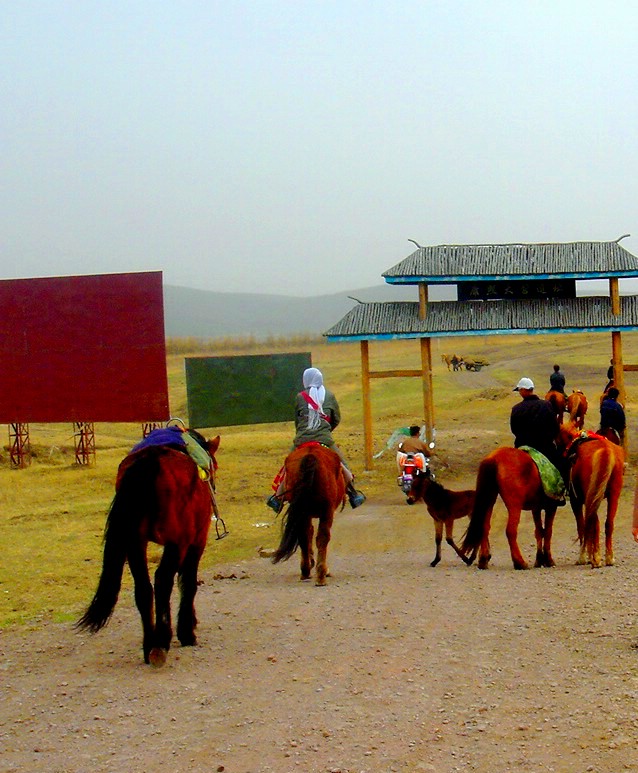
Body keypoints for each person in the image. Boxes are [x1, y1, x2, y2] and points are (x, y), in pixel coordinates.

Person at [266, 367, 366, 512]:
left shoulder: (300, 397)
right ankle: (353, 494)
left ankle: (278, 499)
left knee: (287, 468)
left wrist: (304, 434)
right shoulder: (330, 396)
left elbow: (298, 421)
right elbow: (336, 419)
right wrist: (325, 431)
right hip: (325, 440)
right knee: (343, 466)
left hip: (302, 439)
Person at [510, 377, 562, 472]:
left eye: (519, 390)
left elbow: (514, 430)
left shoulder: (516, 409)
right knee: (561, 468)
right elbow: (555, 428)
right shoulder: (547, 405)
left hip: (523, 447)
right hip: (545, 449)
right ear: (532, 389)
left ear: (522, 390)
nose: (520, 393)